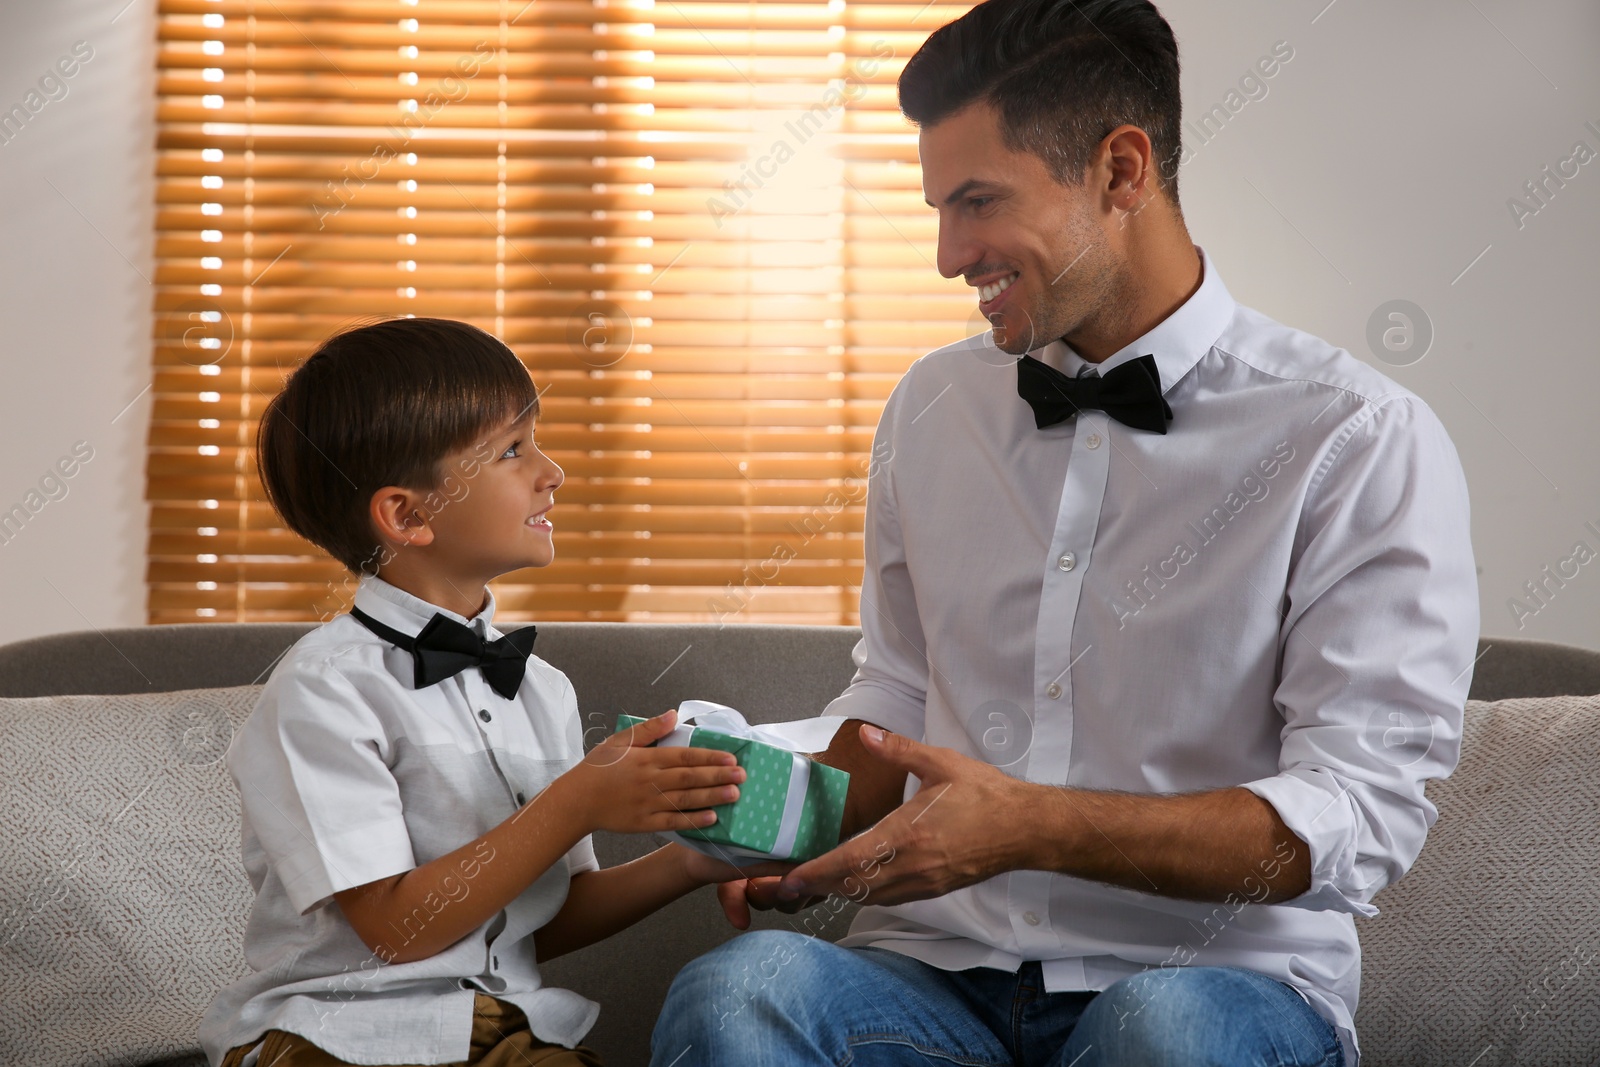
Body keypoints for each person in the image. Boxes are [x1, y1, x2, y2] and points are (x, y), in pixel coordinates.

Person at [651, 1, 1478, 1064]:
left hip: (1210, 982)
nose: (949, 255)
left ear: (1120, 172)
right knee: (740, 992)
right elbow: (896, 695)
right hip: (932, 972)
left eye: (977, 203)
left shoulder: (1353, 437)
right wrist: (772, 811)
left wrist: (1034, 822)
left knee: (1162, 1031)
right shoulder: (931, 408)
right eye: (937, 210)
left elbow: (1357, 816)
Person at [200, 318, 772, 1067]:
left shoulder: (542, 690)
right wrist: (577, 799)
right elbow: (395, 929)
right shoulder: (323, 690)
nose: (551, 471)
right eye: (512, 450)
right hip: (330, 1032)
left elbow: (545, 916)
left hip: (502, 1032)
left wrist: (700, 858)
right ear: (406, 514)